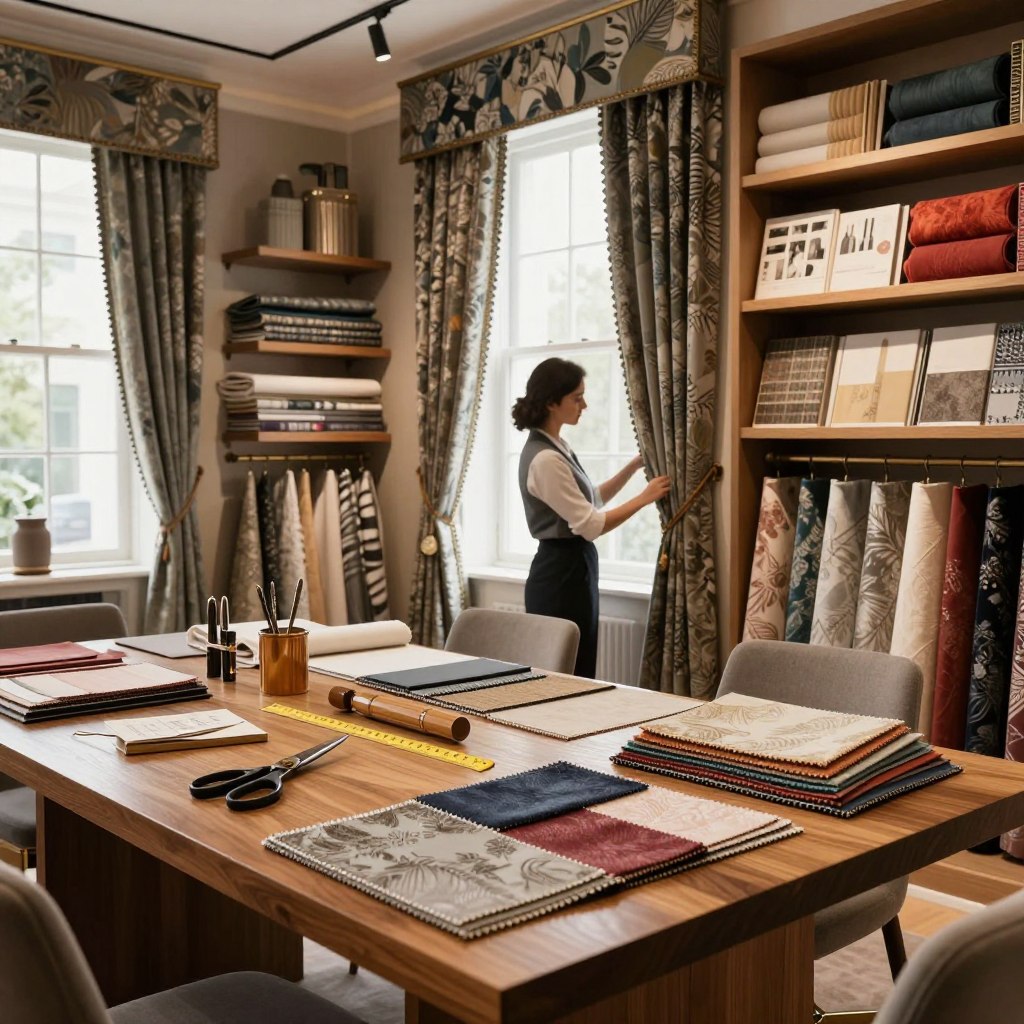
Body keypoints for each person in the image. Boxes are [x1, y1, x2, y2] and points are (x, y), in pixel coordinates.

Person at [512, 357, 670, 678]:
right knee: (565, 675)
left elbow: (591, 498)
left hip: (575, 569)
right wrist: (644, 498)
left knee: (579, 667)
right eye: (577, 397)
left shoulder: (558, 447)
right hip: (559, 576)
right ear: (552, 402)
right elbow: (591, 525)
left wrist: (633, 467)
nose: (584, 404)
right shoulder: (544, 459)